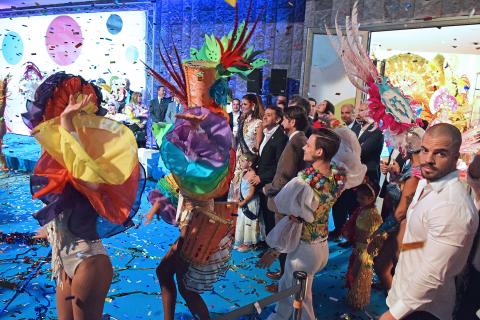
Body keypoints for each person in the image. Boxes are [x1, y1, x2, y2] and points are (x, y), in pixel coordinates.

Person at [24, 72, 143, 320]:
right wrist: (50, 227)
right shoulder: (59, 159)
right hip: (63, 261)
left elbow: (89, 181)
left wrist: (68, 123)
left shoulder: (92, 163)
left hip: (88, 262)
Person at [380, 123, 479, 320]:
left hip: (423, 309)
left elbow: (433, 276)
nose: (428, 159)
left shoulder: (452, 205)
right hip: (405, 292)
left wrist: (393, 314)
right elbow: (425, 241)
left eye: (440, 154)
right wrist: (405, 247)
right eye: (425, 150)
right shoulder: (426, 184)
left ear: (455, 158)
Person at [257, 128, 347, 320]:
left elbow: (279, 206)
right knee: (293, 291)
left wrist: (265, 190)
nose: (304, 147)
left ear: (319, 152)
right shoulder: (338, 175)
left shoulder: (303, 182)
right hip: (321, 247)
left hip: (304, 250)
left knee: (299, 298)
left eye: (309, 145)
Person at [262, 106, 308, 289]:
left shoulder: (297, 141)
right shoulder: (295, 139)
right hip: (286, 198)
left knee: (285, 242)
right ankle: (283, 277)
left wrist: (270, 189)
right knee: (284, 241)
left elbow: (287, 174)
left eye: (284, 119)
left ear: (292, 121)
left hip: (285, 200)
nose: (282, 122)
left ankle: (285, 284)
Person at [249, 106, 288, 237]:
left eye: (269, 115)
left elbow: (280, 165)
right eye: (265, 114)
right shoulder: (266, 134)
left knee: (271, 216)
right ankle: (268, 241)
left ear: (277, 120)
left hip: (270, 183)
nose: (264, 117)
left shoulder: (280, 138)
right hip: (260, 180)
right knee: (264, 215)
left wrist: (262, 177)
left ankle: (273, 246)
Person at [342, 183, 382, 309]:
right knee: (353, 272)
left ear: (371, 198)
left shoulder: (373, 215)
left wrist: (373, 246)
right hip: (357, 247)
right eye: (358, 197)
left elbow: (380, 234)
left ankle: (358, 300)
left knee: (361, 275)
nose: (358, 200)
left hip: (365, 249)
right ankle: (353, 296)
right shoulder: (360, 210)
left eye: (362, 198)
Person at [228, 93, 264, 201]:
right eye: (241, 104)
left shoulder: (258, 123)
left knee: (244, 191)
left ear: (252, 105)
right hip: (238, 158)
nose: (242, 106)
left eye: (245, 104)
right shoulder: (242, 120)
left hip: (249, 161)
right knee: (234, 186)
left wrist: (252, 165)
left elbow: (258, 146)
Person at [234, 152, 261, 252]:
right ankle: (242, 240)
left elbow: (251, 193)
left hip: (249, 203)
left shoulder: (253, 175)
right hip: (243, 202)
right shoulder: (245, 173)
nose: (240, 163)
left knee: (248, 222)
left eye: (242, 161)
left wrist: (244, 202)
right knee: (242, 221)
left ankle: (248, 243)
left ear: (249, 163)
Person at [353, 102, 384, 186]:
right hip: (354, 174)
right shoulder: (356, 127)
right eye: (358, 110)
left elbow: (362, 152)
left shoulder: (377, 130)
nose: (358, 113)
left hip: (368, 176)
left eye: (361, 110)